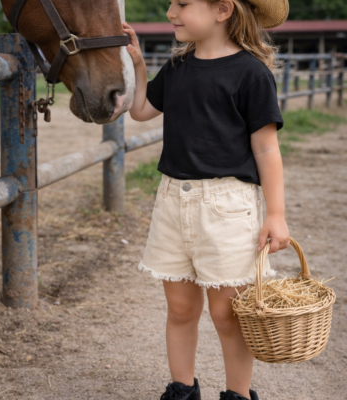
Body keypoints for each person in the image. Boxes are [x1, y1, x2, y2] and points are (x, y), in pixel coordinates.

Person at [123, 0, 290, 398]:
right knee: (181, 310)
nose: (170, 12)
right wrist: (139, 65)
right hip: (172, 202)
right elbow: (141, 110)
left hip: (227, 207)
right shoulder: (178, 66)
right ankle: (182, 390)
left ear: (223, 10)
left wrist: (276, 214)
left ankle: (238, 394)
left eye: (182, 3)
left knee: (228, 315)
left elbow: (267, 148)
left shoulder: (252, 73)